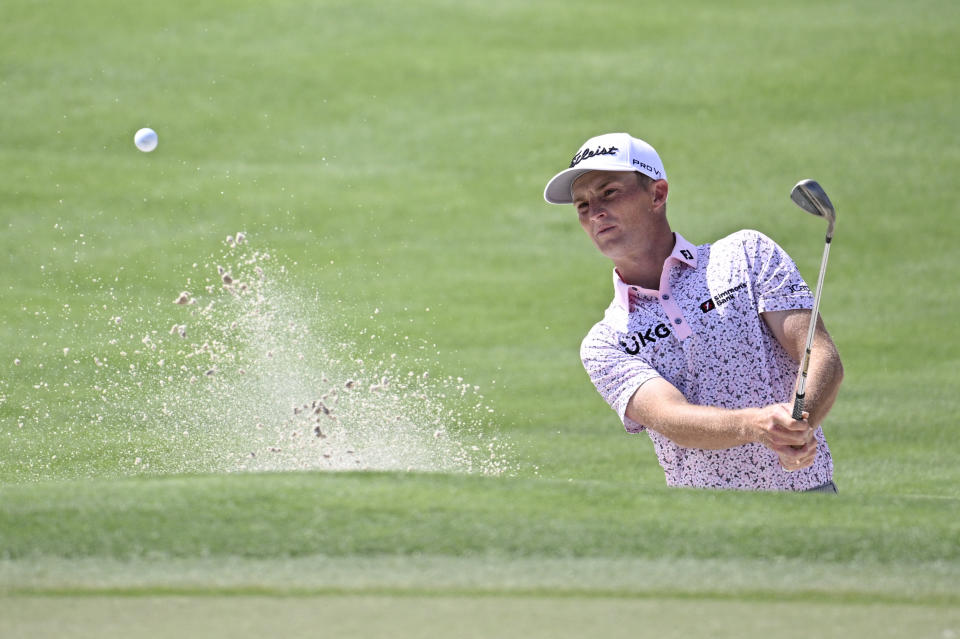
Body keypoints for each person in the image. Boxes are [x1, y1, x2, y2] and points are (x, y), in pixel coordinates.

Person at [543, 132, 844, 492]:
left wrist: (798, 424)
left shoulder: (746, 255)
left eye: (609, 193)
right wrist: (757, 425)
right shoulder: (606, 342)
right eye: (582, 206)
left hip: (810, 497)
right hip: (705, 526)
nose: (596, 213)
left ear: (657, 194)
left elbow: (820, 354)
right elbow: (672, 418)